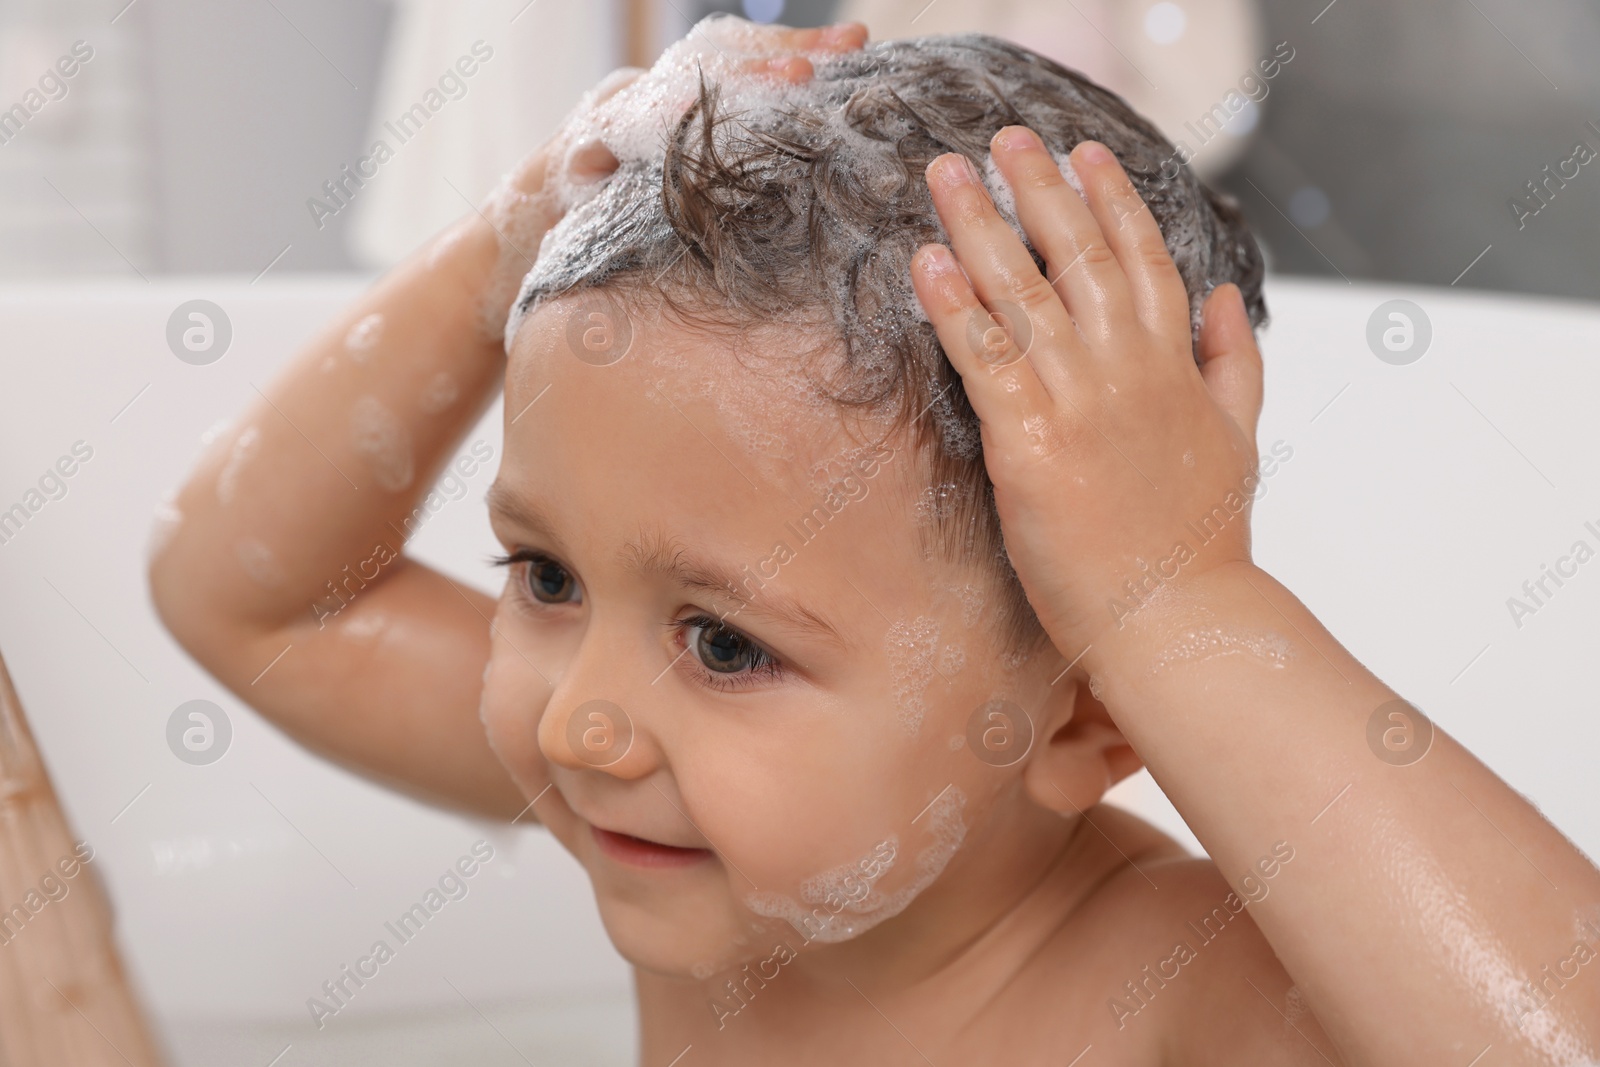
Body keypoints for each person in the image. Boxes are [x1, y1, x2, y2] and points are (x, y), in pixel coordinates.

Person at [148, 16, 1600, 1064]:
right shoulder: (670, 819)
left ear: (1091, 707)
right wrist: (511, 236)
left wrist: (1178, 602)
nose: (582, 718)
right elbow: (255, 601)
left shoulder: (1169, 993)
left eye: (724, 642)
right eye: (545, 576)